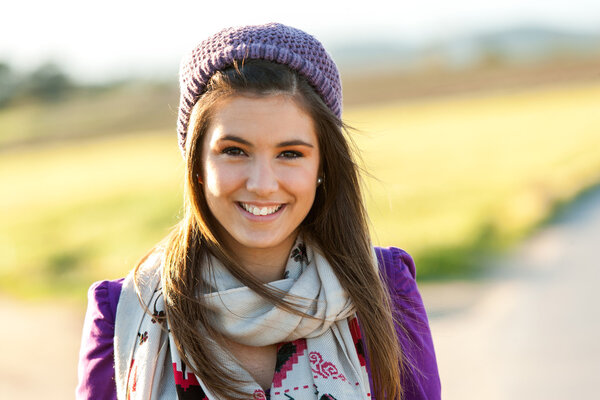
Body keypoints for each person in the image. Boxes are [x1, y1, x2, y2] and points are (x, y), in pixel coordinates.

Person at [77, 23, 440, 399]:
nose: (262, 184)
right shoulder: (120, 314)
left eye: (290, 154)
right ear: (197, 164)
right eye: (234, 151)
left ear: (323, 166)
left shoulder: (384, 290)